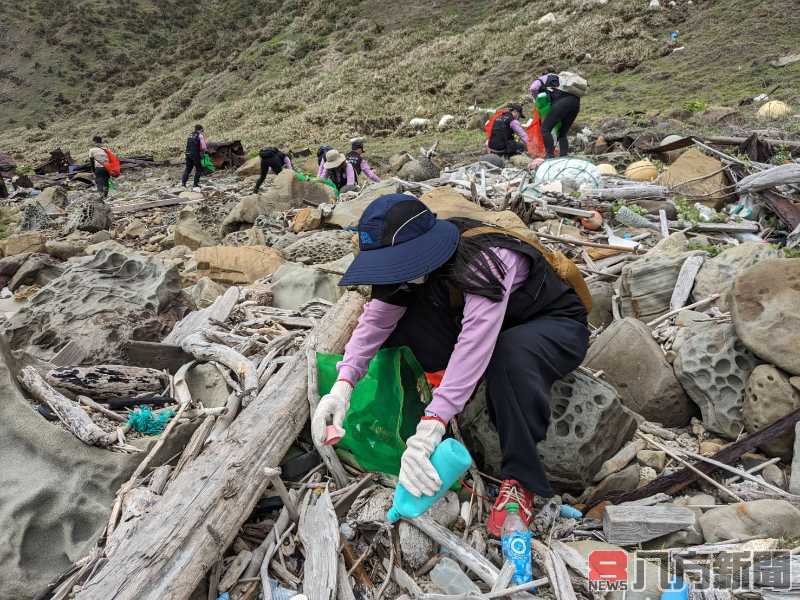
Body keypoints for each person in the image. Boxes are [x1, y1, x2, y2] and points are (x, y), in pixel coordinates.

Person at [311, 194, 590, 537]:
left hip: (551, 325)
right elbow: (376, 321)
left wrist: (433, 424)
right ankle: (441, 388)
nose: (392, 271)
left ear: (422, 249)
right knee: (402, 324)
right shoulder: (412, 268)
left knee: (509, 354)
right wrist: (343, 386)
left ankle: (520, 481)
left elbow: (476, 341)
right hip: (487, 325)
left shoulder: (488, 258)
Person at [529, 71, 581, 158]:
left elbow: (533, 88)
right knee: (562, 133)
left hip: (562, 103)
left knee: (545, 129)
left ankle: (549, 155)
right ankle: (564, 156)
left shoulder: (542, 81)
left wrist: (535, 98)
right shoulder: (562, 82)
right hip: (576, 103)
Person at [182, 124, 208, 190]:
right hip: (195, 154)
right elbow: (204, 147)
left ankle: (183, 184)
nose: (202, 132)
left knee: (188, 169)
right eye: (202, 130)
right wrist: (205, 152)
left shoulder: (190, 135)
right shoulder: (200, 135)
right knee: (199, 169)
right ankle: (195, 184)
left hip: (187, 153)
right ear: (200, 129)